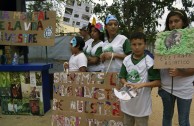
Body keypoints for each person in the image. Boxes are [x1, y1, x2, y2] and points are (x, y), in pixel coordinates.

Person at [158, 9, 194, 126]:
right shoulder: (162, 40)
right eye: (170, 22)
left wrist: (180, 72)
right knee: (167, 117)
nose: (173, 24)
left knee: (183, 120)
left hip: (185, 88)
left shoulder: (191, 40)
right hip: (166, 87)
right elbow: (158, 62)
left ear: (183, 22)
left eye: (176, 21)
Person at [119, 32, 161, 126]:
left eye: (140, 44)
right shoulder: (126, 60)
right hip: (127, 103)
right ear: (130, 45)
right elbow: (121, 77)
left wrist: (141, 85)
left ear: (144, 45)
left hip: (142, 105)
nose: (137, 47)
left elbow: (158, 82)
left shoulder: (149, 61)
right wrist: (125, 83)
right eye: (134, 44)